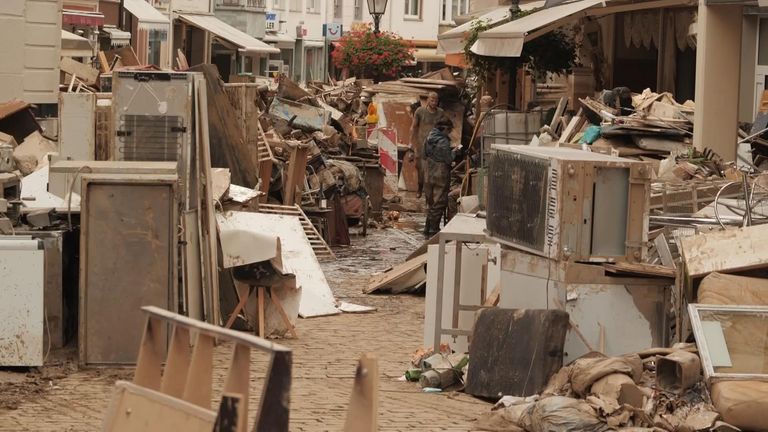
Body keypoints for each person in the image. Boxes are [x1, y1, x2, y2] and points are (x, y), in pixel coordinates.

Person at [423, 117, 457, 237]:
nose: (449, 133)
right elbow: (448, 159)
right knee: (440, 201)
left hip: (429, 170)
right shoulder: (443, 141)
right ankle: (433, 229)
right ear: (444, 129)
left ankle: (427, 228)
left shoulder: (429, 137)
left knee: (431, 201)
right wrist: (455, 152)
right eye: (449, 130)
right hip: (440, 172)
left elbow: (424, 154)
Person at [409, 92, 444, 198]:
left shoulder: (440, 113)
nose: (434, 103)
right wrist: (411, 143)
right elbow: (413, 127)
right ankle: (420, 188)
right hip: (421, 145)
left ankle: (430, 193)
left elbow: (444, 127)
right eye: (432, 100)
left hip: (435, 146)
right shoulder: (420, 111)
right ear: (428, 100)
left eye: (436, 100)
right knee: (421, 169)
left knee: (434, 170)